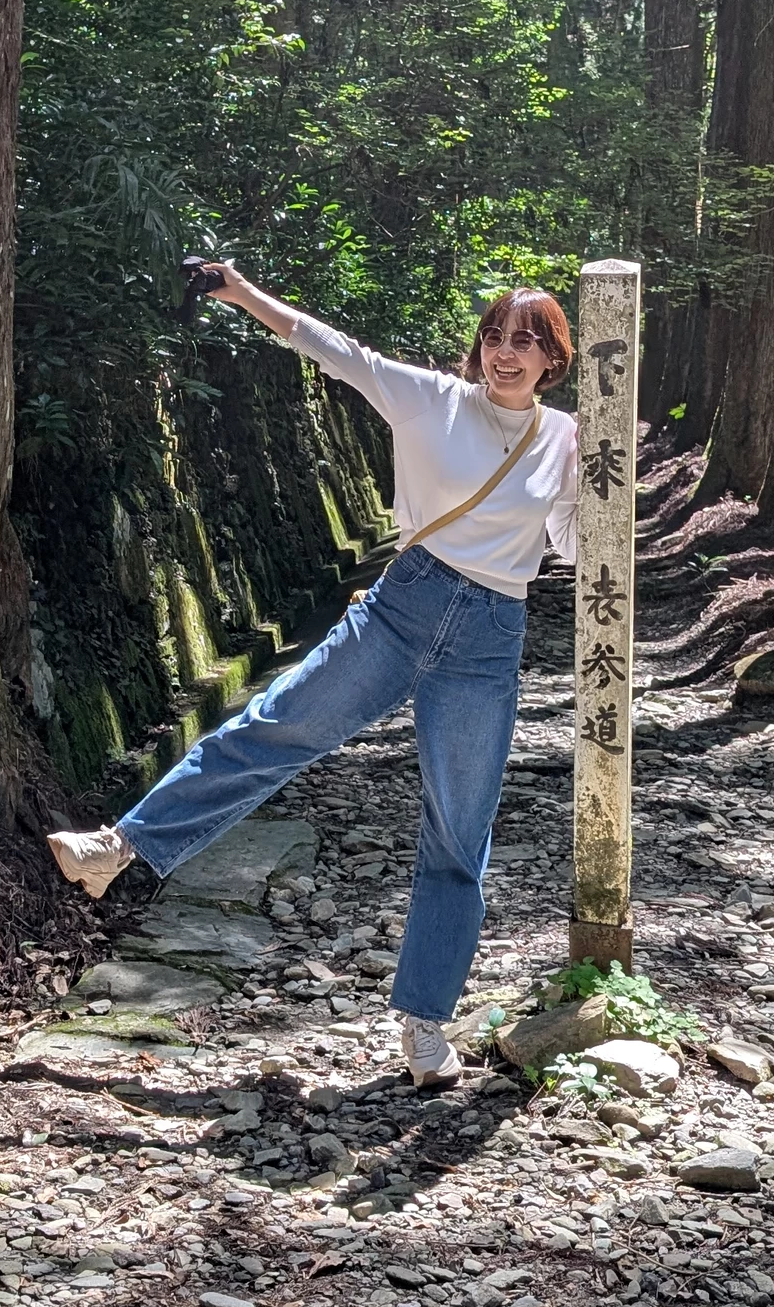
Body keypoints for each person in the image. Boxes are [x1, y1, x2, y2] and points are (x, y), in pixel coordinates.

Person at [47, 264, 582, 1088]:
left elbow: (577, 545)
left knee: (459, 830)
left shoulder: (566, 439)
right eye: (495, 336)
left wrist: (613, 475)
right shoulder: (431, 399)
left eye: (526, 341)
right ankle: (118, 846)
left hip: (489, 636)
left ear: (553, 357)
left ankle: (424, 1025)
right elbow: (336, 350)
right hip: (406, 604)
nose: (505, 353)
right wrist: (242, 293)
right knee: (278, 723)